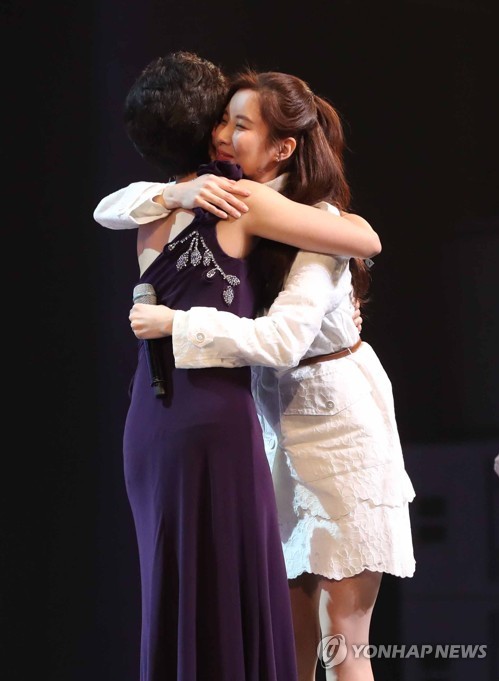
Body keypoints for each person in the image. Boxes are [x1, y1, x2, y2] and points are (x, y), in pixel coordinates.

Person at [96, 52, 381, 681]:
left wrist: (171, 192)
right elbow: (364, 240)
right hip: (216, 416)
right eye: (223, 119)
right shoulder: (237, 198)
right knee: (240, 598)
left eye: (238, 122)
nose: (227, 132)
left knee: (176, 591)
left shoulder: (151, 209)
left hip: (150, 417)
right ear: (207, 130)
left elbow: (106, 207)